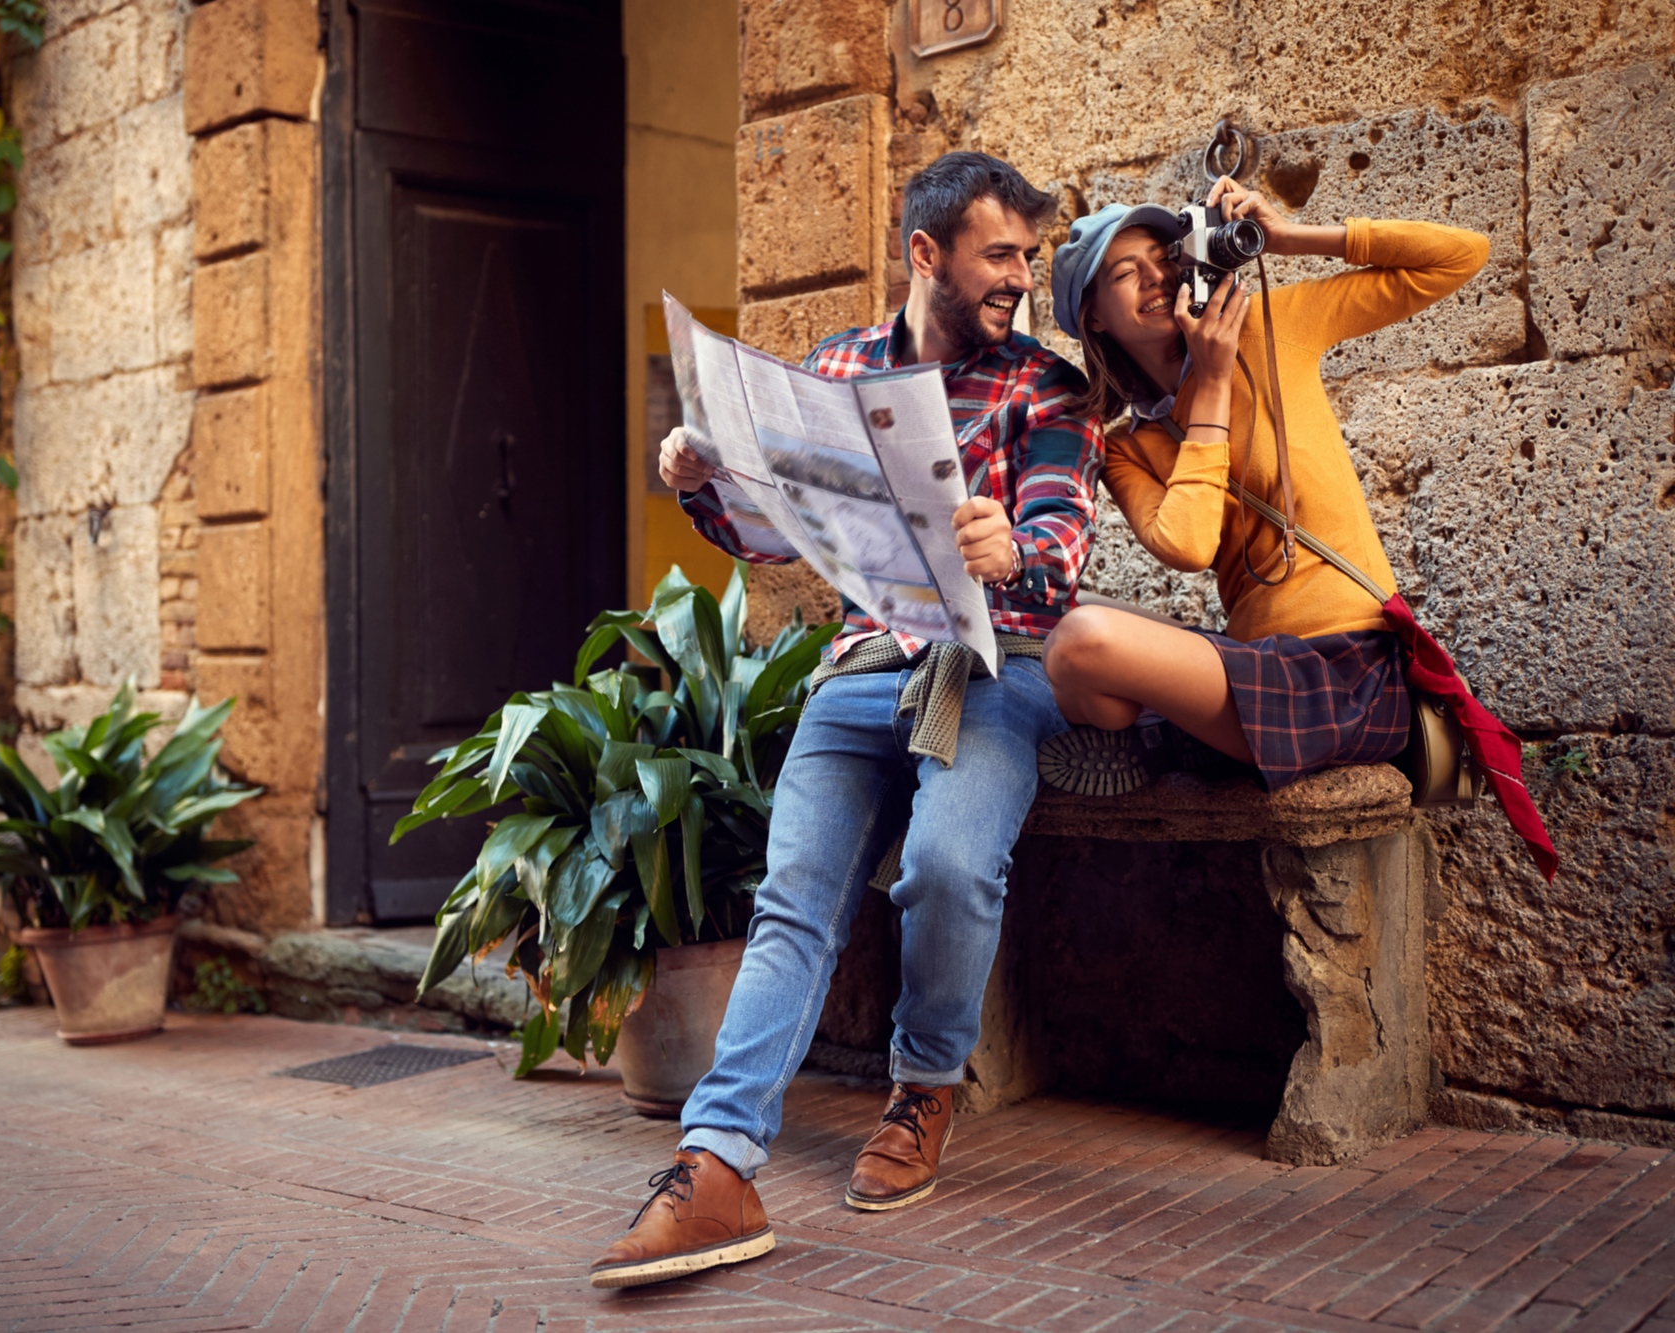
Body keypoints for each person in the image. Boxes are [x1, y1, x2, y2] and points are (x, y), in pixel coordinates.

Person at [589, 152, 1102, 1290]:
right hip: (862, 665)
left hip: (992, 665)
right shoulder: (835, 370)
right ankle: (715, 1164)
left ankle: (923, 1086)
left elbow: (1062, 549)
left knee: (948, 868)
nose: (1018, 277)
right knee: (792, 902)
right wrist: (701, 480)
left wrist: (1011, 545)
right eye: (997, 255)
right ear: (926, 254)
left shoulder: (1045, 389)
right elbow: (777, 537)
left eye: (1027, 255)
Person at [1034, 178, 1488, 795]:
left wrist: (1290, 237)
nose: (1156, 278)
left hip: (1348, 670)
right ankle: (1174, 737)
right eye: (1124, 273)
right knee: (1062, 622)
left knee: (1082, 643)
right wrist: (1212, 390)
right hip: (1253, 666)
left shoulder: (1270, 327)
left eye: (1165, 257)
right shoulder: (1127, 448)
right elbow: (1190, 545)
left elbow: (1462, 255)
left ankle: (1164, 740)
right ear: (1093, 317)